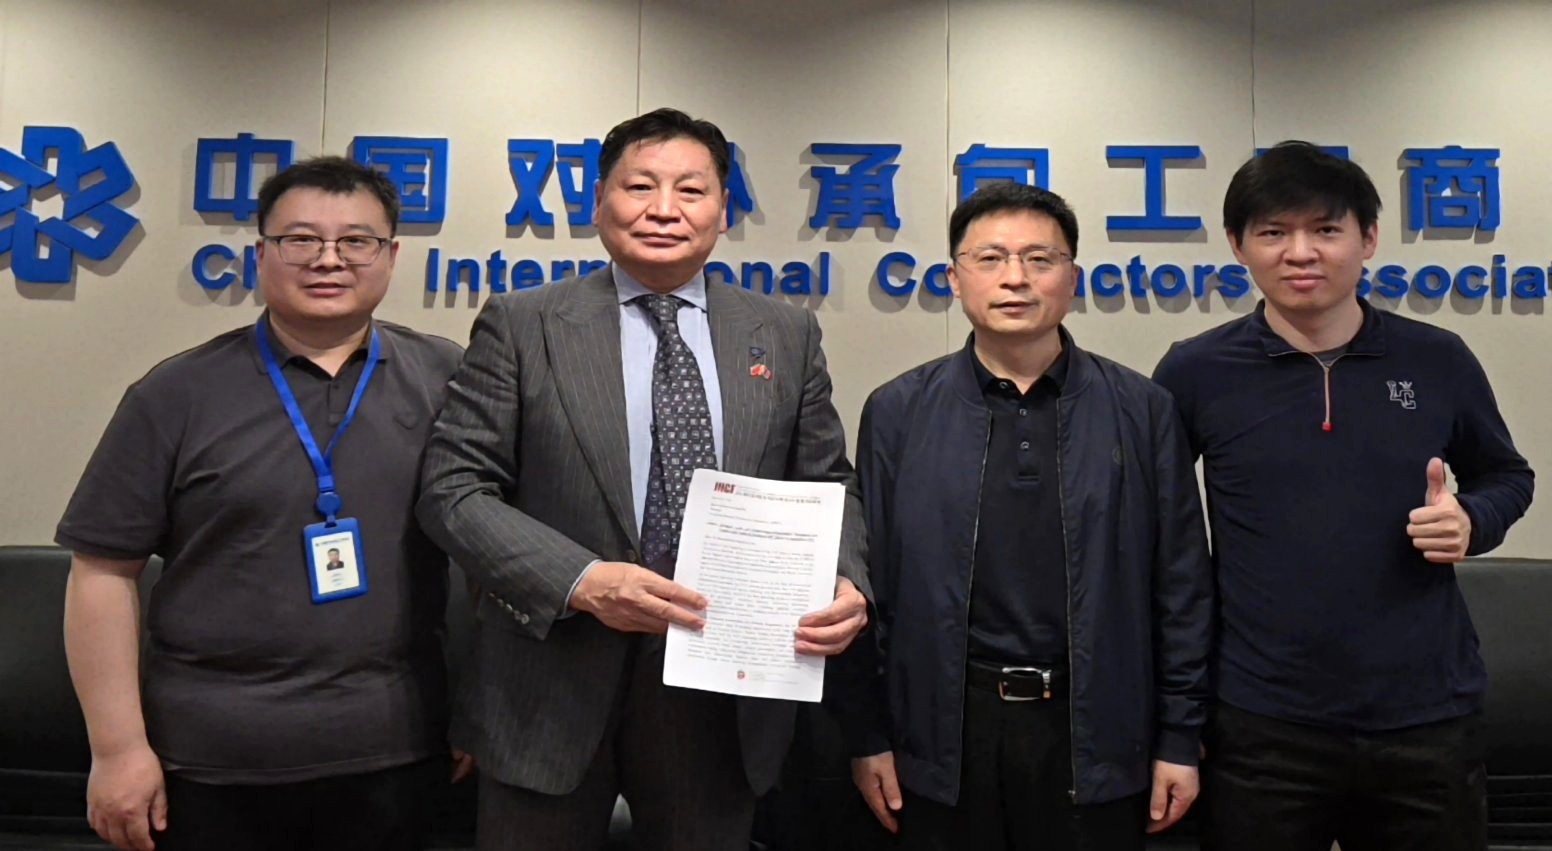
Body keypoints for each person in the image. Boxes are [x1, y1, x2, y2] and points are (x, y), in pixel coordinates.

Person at [415, 107, 870, 851]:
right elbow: (454, 488)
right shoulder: (523, 322)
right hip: (549, 681)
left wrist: (846, 579)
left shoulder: (784, 332)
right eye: (640, 186)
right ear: (599, 202)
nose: (664, 209)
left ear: (724, 210)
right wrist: (583, 580)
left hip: (721, 684)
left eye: (691, 190)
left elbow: (827, 481)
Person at [57, 156, 468, 851]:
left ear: (392, 256)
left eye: (357, 241)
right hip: (212, 759)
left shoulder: (449, 379)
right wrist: (118, 749)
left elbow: (495, 558)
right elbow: (102, 572)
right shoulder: (176, 394)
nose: (329, 259)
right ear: (260, 255)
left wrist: (484, 714)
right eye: (300, 239)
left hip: (399, 749)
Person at [1152, 141, 1535, 851]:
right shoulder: (1196, 371)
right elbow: (1155, 530)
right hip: (1262, 723)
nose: (1301, 252)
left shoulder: (1437, 358)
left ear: (1368, 239)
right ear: (1237, 245)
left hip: (1426, 720)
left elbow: (1507, 476)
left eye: (1326, 229)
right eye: (1274, 232)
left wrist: (1471, 519)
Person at [833, 181, 1213, 851]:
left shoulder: (1143, 408)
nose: (1016, 278)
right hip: (944, 732)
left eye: (1041, 259)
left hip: (1100, 728)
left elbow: (1181, 584)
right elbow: (871, 586)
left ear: (1074, 278)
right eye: (990, 258)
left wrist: (1180, 737)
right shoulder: (898, 410)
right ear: (955, 278)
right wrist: (868, 735)